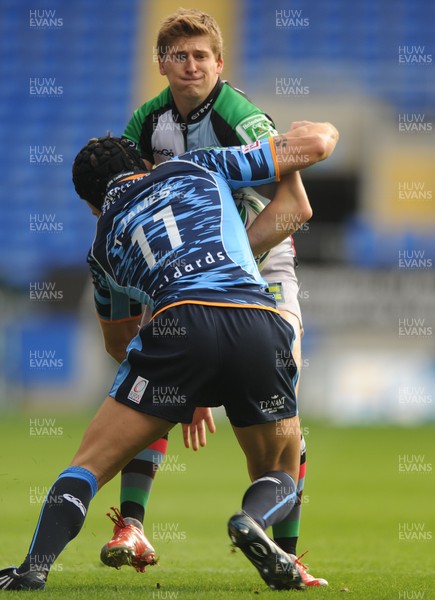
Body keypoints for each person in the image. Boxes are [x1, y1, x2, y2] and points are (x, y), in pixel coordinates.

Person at [0, 123, 338, 591]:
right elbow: (316, 146)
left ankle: (32, 568)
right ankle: (250, 519)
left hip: (177, 329)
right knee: (280, 467)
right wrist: (316, 131)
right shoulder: (195, 165)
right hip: (257, 322)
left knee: (88, 465)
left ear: (91, 205)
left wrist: (177, 391)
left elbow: (118, 343)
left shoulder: (101, 248)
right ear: (143, 166)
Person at [105, 7, 325, 587]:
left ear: (220, 64)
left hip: (265, 266)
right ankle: (130, 524)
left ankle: (287, 553)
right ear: (160, 64)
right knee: (150, 372)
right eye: (178, 55)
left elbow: (295, 207)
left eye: (201, 55)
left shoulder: (238, 115)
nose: (190, 65)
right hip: (191, 273)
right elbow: (126, 202)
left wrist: (224, 273)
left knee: (284, 411)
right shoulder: (144, 124)